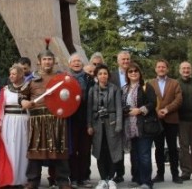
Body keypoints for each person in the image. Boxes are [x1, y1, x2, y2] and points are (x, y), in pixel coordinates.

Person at [19, 48, 72, 189]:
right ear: (39, 62)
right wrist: (24, 102)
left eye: (50, 59)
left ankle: (63, 181)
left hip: (57, 119)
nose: (47, 62)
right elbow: (22, 96)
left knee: (59, 150)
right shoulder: (31, 79)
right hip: (37, 120)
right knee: (35, 150)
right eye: (45, 59)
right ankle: (33, 180)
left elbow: (71, 95)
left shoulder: (62, 77)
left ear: (54, 61)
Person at [87, 64, 122, 189]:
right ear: (96, 76)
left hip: (111, 123)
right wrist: (89, 125)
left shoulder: (115, 89)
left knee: (112, 151)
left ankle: (111, 178)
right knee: (100, 151)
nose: (103, 76)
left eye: (105, 73)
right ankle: (102, 179)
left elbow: (118, 108)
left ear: (108, 75)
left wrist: (119, 124)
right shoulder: (92, 90)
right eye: (100, 74)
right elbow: (89, 109)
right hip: (97, 125)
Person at [121, 62, 156, 189]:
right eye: (130, 71)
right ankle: (136, 178)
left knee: (144, 155)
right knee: (134, 155)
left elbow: (153, 103)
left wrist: (140, 110)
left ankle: (146, 181)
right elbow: (121, 105)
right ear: (127, 74)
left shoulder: (146, 86)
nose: (133, 73)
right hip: (129, 126)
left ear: (139, 73)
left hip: (143, 125)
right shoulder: (124, 89)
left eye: (136, 71)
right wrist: (125, 110)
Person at [0, 64, 30, 188]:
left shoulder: (28, 89)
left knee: (22, 150)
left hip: (23, 121)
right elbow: (1, 108)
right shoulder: (5, 90)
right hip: (8, 122)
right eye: (11, 74)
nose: (11, 76)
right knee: (9, 150)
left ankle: (21, 180)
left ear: (21, 75)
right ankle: (9, 179)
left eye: (14, 74)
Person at [149, 59, 183, 184]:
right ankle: (160, 174)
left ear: (167, 69)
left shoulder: (174, 83)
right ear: (155, 69)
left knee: (173, 148)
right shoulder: (150, 84)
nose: (161, 69)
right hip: (156, 120)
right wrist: (157, 111)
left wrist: (166, 109)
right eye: (159, 67)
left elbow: (178, 100)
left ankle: (175, 174)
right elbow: (149, 100)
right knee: (158, 149)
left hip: (171, 120)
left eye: (163, 67)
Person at [67, 53, 93, 187]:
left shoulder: (89, 78)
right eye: (74, 61)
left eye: (79, 61)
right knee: (72, 149)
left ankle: (83, 177)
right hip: (70, 119)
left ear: (82, 64)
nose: (76, 63)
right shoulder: (65, 78)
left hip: (85, 117)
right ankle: (74, 177)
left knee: (84, 150)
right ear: (69, 64)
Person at [109, 51, 131, 183]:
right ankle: (119, 173)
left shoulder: (135, 73)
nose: (125, 61)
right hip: (117, 114)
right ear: (118, 61)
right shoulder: (112, 75)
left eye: (128, 59)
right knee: (117, 145)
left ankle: (136, 173)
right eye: (123, 59)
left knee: (132, 145)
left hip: (132, 114)